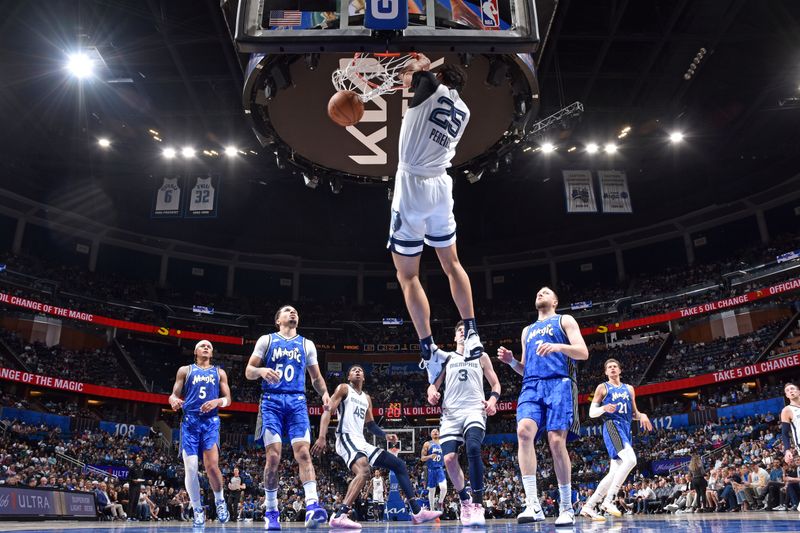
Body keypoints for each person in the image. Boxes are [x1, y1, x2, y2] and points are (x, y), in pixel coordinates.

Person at [388, 53, 483, 384]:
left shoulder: (428, 85)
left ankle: (428, 349)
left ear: (437, 76)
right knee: (451, 264)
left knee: (408, 275)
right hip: (442, 186)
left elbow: (412, 76)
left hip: (412, 185)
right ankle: (471, 331)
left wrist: (420, 66)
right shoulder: (465, 111)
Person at [497, 287, 588, 526]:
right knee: (523, 432)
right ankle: (533, 504)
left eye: (546, 292)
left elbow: (583, 352)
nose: (540, 293)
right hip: (531, 385)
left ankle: (566, 507)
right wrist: (511, 362)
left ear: (555, 301)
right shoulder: (527, 330)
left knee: (556, 442)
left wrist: (558, 347)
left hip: (559, 383)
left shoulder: (564, 320)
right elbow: (524, 368)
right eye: (538, 292)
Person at [312, 364, 441, 528]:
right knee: (364, 471)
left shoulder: (366, 398)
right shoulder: (343, 388)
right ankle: (340, 515)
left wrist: (385, 435)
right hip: (346, 437)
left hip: (361, 441)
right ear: (349, 377)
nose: (357, 371)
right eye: (353, 370)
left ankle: (417, 512)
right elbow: (328, 410)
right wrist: (322, 436)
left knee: (399, 465)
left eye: (360, 370)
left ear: (364, 378)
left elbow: (371, 425)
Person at [245, 305, 331, 530]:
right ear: (278, 320)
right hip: (271, 401)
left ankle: (312, 506)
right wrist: (262, 371)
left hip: (297, 402)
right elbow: (248, 371)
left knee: (303, 452)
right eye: (287, 310)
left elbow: (316, 377)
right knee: (273, 457)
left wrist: (325, 395)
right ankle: (271, 511)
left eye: (295, 311)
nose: (292, 312)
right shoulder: (266, 340)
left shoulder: (307, 344)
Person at [427, 320, 502, 526]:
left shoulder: (482, 356)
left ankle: (478, 505)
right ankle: (465, 500)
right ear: (454, 337)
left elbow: (495, 383)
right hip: (451, 413)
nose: (462, 333)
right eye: (459, 330)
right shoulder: (447, 357)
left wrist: (493, 401)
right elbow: (433, 385)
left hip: (474, 409)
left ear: (472, 335)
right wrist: (432, 393)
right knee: (449, 458)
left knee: (473, 447)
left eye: (466, 330)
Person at [579, 358, 653, 520]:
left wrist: (643, 415)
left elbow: (633, 413)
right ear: (606, 372)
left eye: (615, 366)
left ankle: (589, 506)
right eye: (609, 367)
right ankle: (609, 500)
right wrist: (604, 408)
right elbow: (592, 413)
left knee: (613, 474)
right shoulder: (603, 387)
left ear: (620, 370)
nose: (612, 369)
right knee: (631, 460)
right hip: (612, 426)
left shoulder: (629, 389)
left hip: (625, 428)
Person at [169, 340, 232, 527]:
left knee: (212, 467)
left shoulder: (219, 372)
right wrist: (173, 399)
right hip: (190, 422)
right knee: (190, 468)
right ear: (195, 351)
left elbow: (228, 399)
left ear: (211, 354)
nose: (206, 347)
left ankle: (220, 500)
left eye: (209, 347)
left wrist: (217, 402)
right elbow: (173, 395)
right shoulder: (185, 370)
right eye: (202, 345)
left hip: (210, 421)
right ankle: (197, 509)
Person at [420, 429, 447, 513]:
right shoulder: (427, 444)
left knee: (444, 488)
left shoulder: (443, 443)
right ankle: (432, 509)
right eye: (433, 431)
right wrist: (430, 456)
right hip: (431, 470)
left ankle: (440, 502)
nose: (435, 432)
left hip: (440, 469)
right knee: (432, 490)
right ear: (431, 434)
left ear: (439, 433)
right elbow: (422, 458)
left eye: (437, 431)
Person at [781, 382, 800, 465]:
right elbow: (785, 433)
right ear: (787, 395)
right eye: (788, 390)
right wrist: (787, 449)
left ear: (798, 391)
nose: (790, 391)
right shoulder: (787, 410)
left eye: (792, 389)